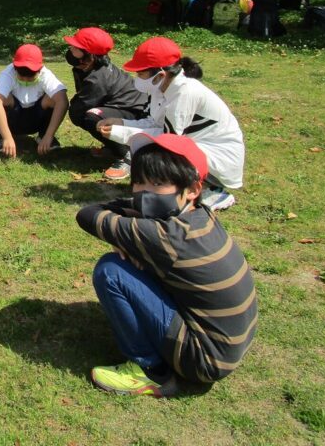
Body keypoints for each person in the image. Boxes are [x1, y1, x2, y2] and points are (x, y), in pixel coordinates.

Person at [75, 133, 257, 397]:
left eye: (159, 183)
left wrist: (124, 235)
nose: (145, 192)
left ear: (193, 190)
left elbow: (88, 215)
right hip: (226, 346)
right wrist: (130, 231)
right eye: (139, 182)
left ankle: (151, 371)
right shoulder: (201, 215)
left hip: (203, 359)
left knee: (111, 271)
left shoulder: (165, 235)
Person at [97, 37, 244, 211]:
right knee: (148, 148)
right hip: (197, 147)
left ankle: (213, 191)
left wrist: (120, 133)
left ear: (160, 74)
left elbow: (169, 139)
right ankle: (174, 187)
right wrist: (121, 122)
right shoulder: (161, 88)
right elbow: (154, 122)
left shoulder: (185, 92)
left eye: (141, 74)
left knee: (158, 151)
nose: (137, 78)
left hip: (218, 159)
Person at [63, 27, 148, 180]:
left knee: (90, 117)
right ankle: (113, 146)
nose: (71, 48)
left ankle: (127, 155)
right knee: (84, 114)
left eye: (76, 47)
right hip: (123, 109)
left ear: (89, 55)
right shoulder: (88, 66)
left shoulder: (98, 77)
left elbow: (79, 107)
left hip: (135, 113)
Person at [0, 43, 68, 157]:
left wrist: (49, 136)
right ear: (14, 67)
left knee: (53, 98)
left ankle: (44, 136)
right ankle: (3, 137)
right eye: (21, 75)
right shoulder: (8, 73)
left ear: (40, 68)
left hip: (36, 117)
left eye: (30, 76)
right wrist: (7, 138)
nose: (25, 79)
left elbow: (62, 101)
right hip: (14, 118)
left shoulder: (45, 74)